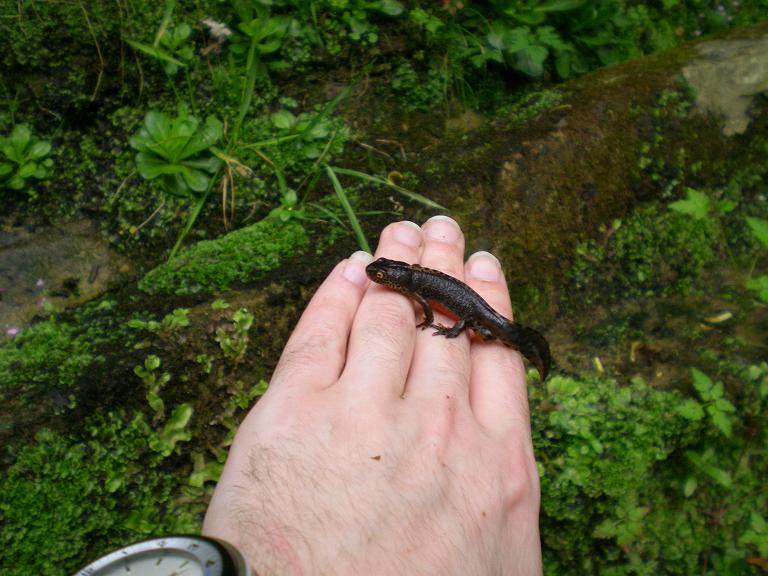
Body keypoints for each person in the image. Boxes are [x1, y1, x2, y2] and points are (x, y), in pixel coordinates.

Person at [203, 216, 543, 575]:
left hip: (473, 316)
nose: (377, 279)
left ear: (396, 277)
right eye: (378, 276)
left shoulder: (416, 287)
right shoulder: (409, 281)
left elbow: (431, 308)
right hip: (473, 312)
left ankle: (520, 345)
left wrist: (444, 326)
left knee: (489, 327)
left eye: (380, 277)